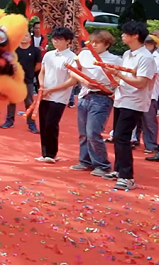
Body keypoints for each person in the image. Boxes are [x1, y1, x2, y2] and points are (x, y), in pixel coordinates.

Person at [101, 21, 157, 190]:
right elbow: (126, 77)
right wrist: (116, 82)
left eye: (125, 33)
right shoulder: (127, 54)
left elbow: (140, 83)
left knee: (122, 137)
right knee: (118, 136)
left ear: (135, 36)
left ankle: (127, 177)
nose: (122, 35)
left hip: (134, 101)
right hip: (121, 98)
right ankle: (118, 170)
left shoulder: (146, 58)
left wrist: (118, 75)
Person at [67, 30, 119, 175]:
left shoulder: (115, 60)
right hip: (84, 95)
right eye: (92, 42)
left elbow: (120, 78)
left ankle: (102, 164)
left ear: (107, 44)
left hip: (102, 97)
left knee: (93, 132)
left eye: (98, 42)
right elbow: (73, 71)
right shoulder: (84, 54)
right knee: (83, 132)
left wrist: (115, 88)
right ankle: (85, 160)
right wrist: (84, 81)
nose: (94, 45)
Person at [36, 27, 77, 163]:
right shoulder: (49, 55)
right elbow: (42, 72)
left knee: (51, 123)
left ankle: (51, 154)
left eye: (59, 39)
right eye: (54, 39)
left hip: (60, 96)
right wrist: (42, 85)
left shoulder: (72, 58)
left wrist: (51, 89)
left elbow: (72, 80)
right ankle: (45, 153)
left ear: (68, 41)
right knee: (43, 123)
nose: (56, 42)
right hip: (45, 93)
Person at [1, 31, 41, 133]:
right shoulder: (13, 50)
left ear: (30, 38)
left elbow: (38, 65)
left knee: (29, 102)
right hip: (14, 80)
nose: (24, 37)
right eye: (22, 35)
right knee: (11, 101)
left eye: (26, 35)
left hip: (28, 80)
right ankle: (9, 121)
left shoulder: (35, 50)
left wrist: (29, 72)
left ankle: (31, 123)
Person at [132, 35, 159, 151]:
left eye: (149, 43)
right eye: (145, 43)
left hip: (150, 94)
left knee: (149, 121)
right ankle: (134, 139)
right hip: (134, 92)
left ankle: (151, 145)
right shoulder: (136, 55)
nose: (146, 45)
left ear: (154, 45)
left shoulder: (155, 58)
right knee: (134, 120)